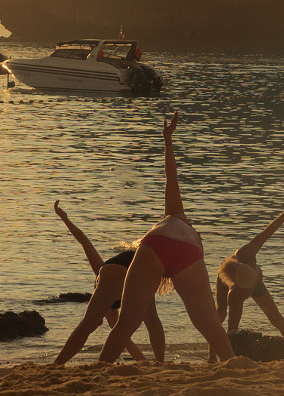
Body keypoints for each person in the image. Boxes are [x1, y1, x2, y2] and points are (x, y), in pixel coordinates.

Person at [97, 110, 236, 364]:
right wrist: (168, 141)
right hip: (188, 255)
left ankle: (100, 367)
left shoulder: (174, 214)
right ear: (198, 234)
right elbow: (171, 176)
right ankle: (233, 365)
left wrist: (168, 141)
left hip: (154, 245)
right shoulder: (190, 236)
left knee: (126, 323)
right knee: (209, 324)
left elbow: (170, 176)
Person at [51, 200, 163, 364]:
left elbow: (84, 242)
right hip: (144, 265)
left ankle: (57, 364)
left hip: (132, 268)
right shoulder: (103, 274)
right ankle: (159, 363)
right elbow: (84, 241)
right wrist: (64, 219)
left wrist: (65, 219)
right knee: (151, 320)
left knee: (88, 324)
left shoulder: (103, 279)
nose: (100, 322)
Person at [216, 194, 284, 357]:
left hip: (255, 278)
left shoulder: (247, 253)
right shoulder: (235, 296)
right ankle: (217, 356)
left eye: (249, 290)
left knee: (277, 319)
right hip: (235, 285)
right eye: (246, 291)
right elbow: (227, 329)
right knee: (224, 318)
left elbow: (269, 231)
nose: (248, 294)